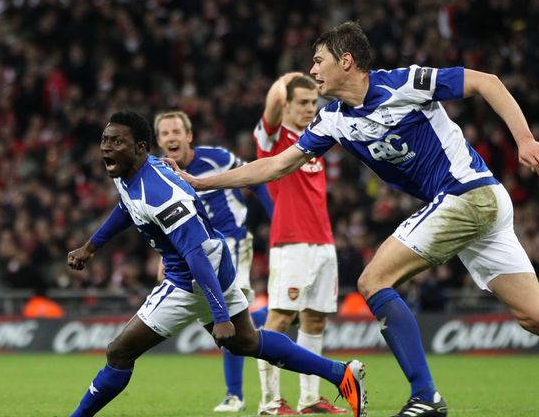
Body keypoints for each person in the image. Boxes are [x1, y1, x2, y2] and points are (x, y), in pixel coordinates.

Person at [168, 22, 539, 417]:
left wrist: (525, 139)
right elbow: (275, 165)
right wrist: (200, 182)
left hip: (467, 194)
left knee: (374, 278)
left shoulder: (404, 83)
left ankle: (426, 397)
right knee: (535, 315)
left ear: (346, 61)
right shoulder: (334, 119)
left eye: (317, 61)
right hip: (474, 205)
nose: (311, 72)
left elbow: (485, 82)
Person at [65, 111, 367, 417]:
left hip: (192, 277)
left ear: (140, 147)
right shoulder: (130, 173)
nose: (106, 147)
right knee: (247, 342)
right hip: (214, 260)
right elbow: (127, 208)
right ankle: (340, 373)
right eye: (105, 140)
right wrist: (91, 247)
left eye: (117, 141)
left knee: (119, 351)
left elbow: (194, 254)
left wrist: (220, 314)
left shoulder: (160, 193)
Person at [153, 110, 273, 413]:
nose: (171, 137)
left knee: (230, 316)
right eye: (165, 133)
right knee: (230, 317)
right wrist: (163, 258)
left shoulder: (216, 158)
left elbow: (256, 181)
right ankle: (283, 311)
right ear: (158, 140)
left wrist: (277, 219)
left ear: (189, 135)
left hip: (231, 242)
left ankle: (234, 395)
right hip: (193, 252)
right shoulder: (159, 173)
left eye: (176, 131)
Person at [252, 73, 346, 415]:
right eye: (303, 103)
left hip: (323, 241)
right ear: (287, 105)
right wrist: (291, 78)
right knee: (279, 318)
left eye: (313, 103)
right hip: (290, 242)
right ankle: (270, 402)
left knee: (315, 320)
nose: (311, 108)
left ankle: (309, 398)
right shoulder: (273, 137)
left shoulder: (315, 139)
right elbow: (273, 98)